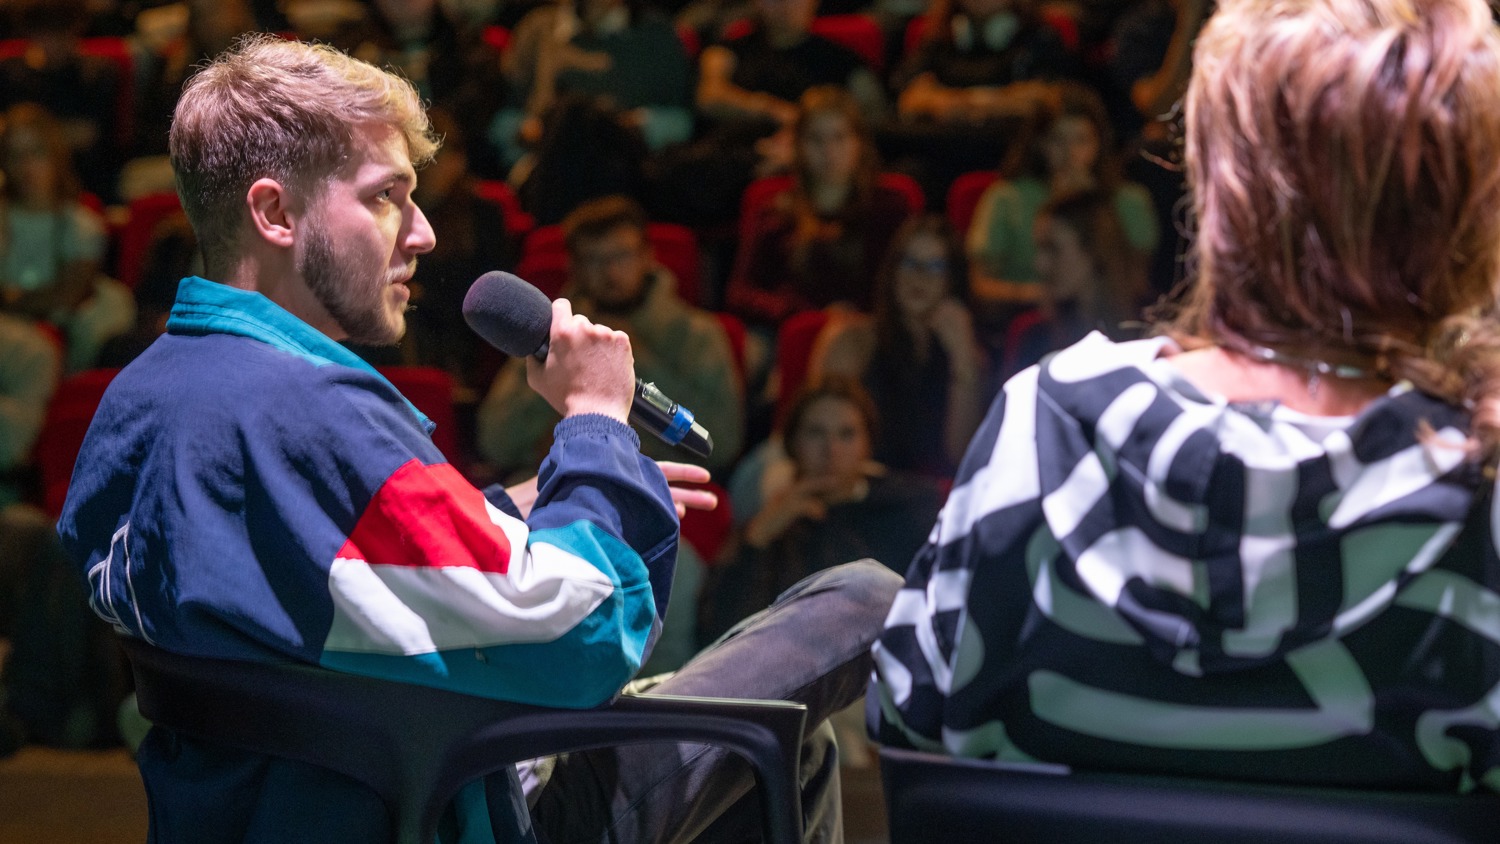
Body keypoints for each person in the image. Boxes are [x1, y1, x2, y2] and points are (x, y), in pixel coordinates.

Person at [56, 34, 899, 843]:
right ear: (276, 212)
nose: (421, 232)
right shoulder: (313, 414)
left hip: (267, 809)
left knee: (786, 748)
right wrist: (596, 430)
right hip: (448, 806)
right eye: (387, 195)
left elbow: (303, 584)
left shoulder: (143, 398)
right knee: (863, 597)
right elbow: (582, 641)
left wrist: (502, 511)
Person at [871, 0, 1500, 792]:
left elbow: (908, 717)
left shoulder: (1049, 423)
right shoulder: (1480, 493)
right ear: (1467, 202)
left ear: (1219, 176)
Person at [478, 194, 745, 477]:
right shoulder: (551, 335)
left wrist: (634, 361)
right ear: (574, 267)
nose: (610, 271)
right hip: (560, 481)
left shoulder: (696, 334)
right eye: (594, 259)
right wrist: (567, 370)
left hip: (656, 482)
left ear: (647, 256)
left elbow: (720, 443)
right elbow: (494, 441)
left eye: (622, 255)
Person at [808, 213, 988, 477]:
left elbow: (961, 457)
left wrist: (962, 356)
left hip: (926, 496)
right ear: (892, 271)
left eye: (936, 267)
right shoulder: (852, 341)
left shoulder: (967, 354)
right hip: (856, 486)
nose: (920, 276)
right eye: (910, 263)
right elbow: (820, 443)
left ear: (952, 280)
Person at [725, 86, 916, 327]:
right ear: (798, 145)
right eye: (816, 139)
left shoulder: (891, 207)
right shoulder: (775, 210)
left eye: (840, 137)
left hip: (874, 332)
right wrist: (800, 315)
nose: (829, 152)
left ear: (859, 142)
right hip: (789, 332)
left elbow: (909, 282)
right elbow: (741, 292)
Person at [966, 81, 1157, 320]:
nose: (1070, 154)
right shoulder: (1006, 198)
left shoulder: (1129, 202)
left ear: (1099, 144)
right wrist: (1045, 297)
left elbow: (1136, 285)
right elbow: (980, 286)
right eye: (1058, 140)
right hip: (1025, 323)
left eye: (1080, 140)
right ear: (1040, 144)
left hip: (1105, 324)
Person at [0, 102, 135, 372]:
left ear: (54, 156)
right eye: (16, 155)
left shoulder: (80, 223)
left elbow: (69, 294)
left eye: (36, 153)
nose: (26, 166)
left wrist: (18, 301)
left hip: (60, 334)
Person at [1002, 187, 1149, 375]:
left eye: (1052, 249)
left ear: (1095, 251)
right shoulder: (1032, 335)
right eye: (1039, 249)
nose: (1040, 264)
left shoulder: (1147, 331)